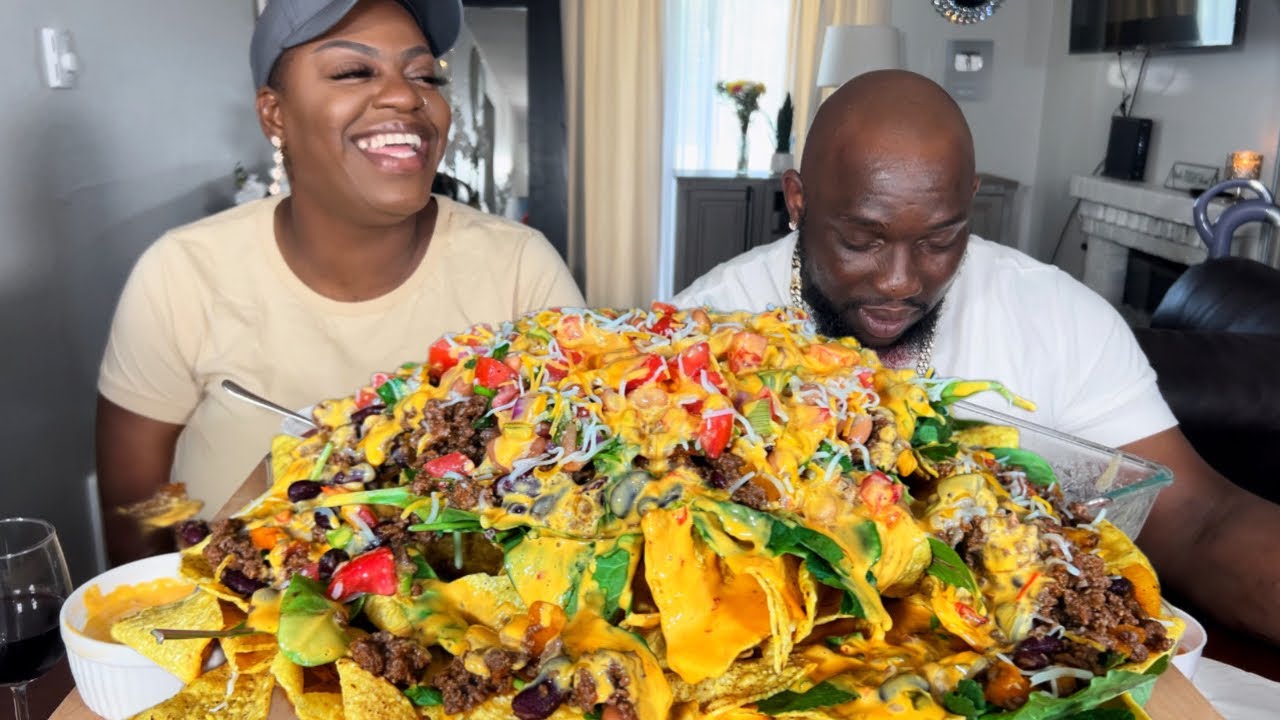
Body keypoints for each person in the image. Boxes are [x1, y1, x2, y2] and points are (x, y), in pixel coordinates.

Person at [674, 69, 1280, 645]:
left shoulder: (1063, 319)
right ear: (799, 200)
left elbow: (1200, 519)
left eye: (940, 241)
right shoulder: (701, 332)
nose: (898, 282)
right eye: (861, 240)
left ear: (970, 200)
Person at [96, 0, 584, 565]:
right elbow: (138, 513)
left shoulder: (519, 266)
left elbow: (576, 485)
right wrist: (187, 590)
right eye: (354, 72)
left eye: (425, 75)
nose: (406, 96)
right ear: (275, 114)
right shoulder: (182, 273)